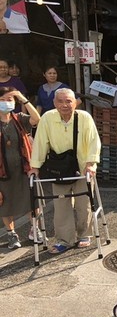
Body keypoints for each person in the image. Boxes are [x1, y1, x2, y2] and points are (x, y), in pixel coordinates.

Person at [29, 88, 101, 254]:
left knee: (84, 203)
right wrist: (35, 166)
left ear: (75, 102)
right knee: (61, 205)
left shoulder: (84, 117)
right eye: (60, 101)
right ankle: (64, 239)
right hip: (58, 168)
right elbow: (40, 142)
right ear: (54, 103)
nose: (64, 105)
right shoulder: (47, 118)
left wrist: (90, 163)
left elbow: (93, 141)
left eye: (68, 101)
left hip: (82, 166)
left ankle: (85, 234)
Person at [0, 87, 40, 249]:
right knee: (5, 203)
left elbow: (37, 119)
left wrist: (23, 98)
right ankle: (11, 234)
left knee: (31, 201)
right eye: (2, 99)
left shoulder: (19, 118)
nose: (6, 103)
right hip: (3, 173)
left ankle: (35, 229)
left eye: (10, 100)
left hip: (24, 169)